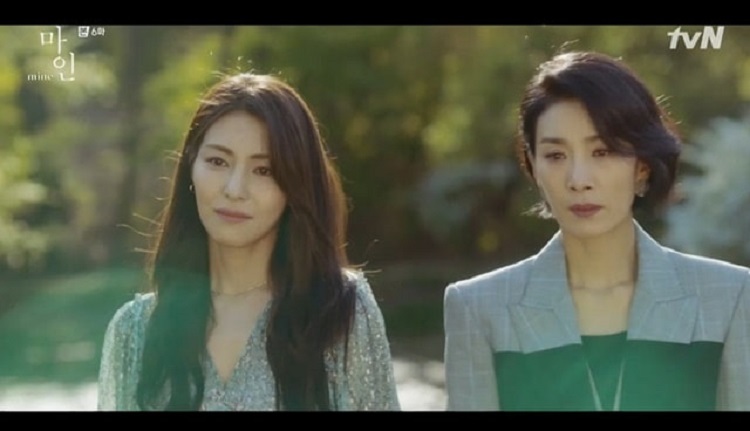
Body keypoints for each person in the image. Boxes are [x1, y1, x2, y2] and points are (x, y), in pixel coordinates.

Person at [443, 51, 750, 411]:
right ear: (534, 167)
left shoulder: (729, 297)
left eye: (602, 152)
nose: (578, 180)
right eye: (556, 156)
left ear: (642, 167)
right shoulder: (478, 308)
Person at [97, 72, 401, 411]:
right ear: (190, 169)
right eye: (217, 161)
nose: (234, 189)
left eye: (263, 170)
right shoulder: (134, 331)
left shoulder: (341, 311)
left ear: (295, 185)